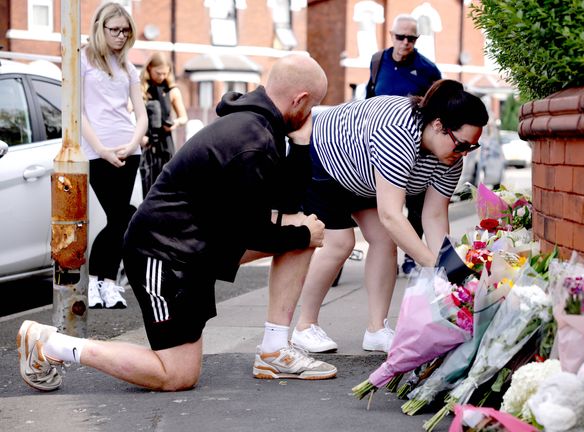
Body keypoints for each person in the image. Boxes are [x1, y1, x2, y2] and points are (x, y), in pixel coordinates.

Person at [17, 54, 335, 392]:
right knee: (176, 375)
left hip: (193, 248)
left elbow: (285, 203)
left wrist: (300, 146)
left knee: (304, 231)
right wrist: (301, 233)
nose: (310, 115)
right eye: (311, 106)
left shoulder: (259, 129)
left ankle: (273, 349)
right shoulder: (253, 141)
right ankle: (52, 344)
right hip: (162, 255)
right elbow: (253, 232)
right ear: (300, 99)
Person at [291, 80, 489, 353]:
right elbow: (391, 215)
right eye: (462, 145)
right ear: (438, 125)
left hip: (366, 175)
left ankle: (376, 329)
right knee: (340, 244)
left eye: (471, 148)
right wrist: (432, 266)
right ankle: (304, 326)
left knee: (385, 241)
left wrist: (452, 269)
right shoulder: (398, 134)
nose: (463, 154)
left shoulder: (450, 158)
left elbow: (433, 216)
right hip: (325, 158)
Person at [80, 3, 147, 310]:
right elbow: (78, 113)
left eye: (126, 31)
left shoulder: (128, 68)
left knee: (121, 219)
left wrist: (133, 142)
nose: (121, 36)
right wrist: (103, 150)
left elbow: (141, 115)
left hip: (127, 149)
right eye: (115, 30)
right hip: (97, 151)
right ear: (100, 28)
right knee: (118, 217)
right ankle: (96, 282)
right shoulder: (81, 60)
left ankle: (107, 284)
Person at [365, 14, 442, 277]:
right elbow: (369, 98)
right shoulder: (378, 61)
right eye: (401, 37)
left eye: (412, 38)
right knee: (382, 205)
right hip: (379, 145)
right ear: (391, 35)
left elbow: (437, 109)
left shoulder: (427, 69)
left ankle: (411, 257)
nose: (406, 42)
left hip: (413, 148)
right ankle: (381, 252)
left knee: (416, 205)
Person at [139, 52, 188, 197]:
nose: (161, 77)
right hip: (146, 143)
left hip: (166, 143)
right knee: (148, 188)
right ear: (149, 69)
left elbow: (183, 117)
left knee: (167, 186)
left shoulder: (173, 91)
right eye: (158, 73)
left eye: (165, 73)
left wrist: (174, 124)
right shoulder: (140, 90)